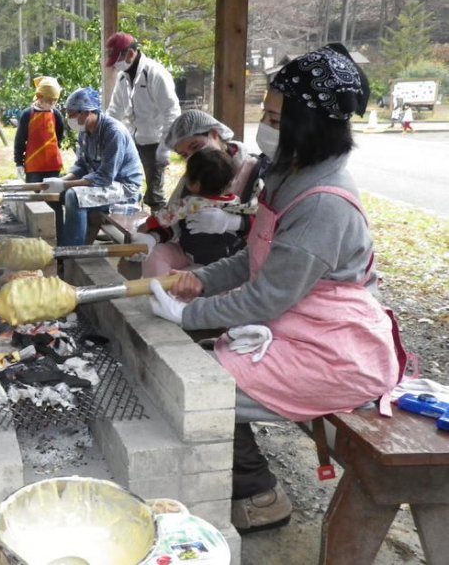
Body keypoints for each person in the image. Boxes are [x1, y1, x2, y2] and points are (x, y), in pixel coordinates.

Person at [148, 43, 408, 534]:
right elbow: (255, 257)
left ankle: (258, 494)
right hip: (295, 327)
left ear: (309, 123)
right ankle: (242, 483)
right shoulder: (289, 175)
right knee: (193, 366)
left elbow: (268, 295)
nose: (263, 126)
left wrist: (188, 317)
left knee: (201, 385)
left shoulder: (325, 203)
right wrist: (199, 282)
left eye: (273, 115)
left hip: (336, 351)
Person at [132, 110, 269, 278]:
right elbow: (173, 218)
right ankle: (161, 301)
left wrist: (234, 222)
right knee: (157, 257)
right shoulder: (193, 177)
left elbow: (268, 224)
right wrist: (154, 237)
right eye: (184, 155)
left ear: (215, 134)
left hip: (236, 264)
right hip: (192, 254)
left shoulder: (255, 171)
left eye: (195, 146)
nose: (192, 157)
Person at [42, 88, 143, 246]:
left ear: (87, 112)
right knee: (61, 194)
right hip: (104, 184)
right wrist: (60, 181)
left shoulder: (113, 132)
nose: (69, 119)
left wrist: (65, 185)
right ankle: (63, 244)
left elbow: (104, 177)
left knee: (73, 196)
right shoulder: (85, 132)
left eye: (72, 114)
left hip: (125, 188)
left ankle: (73, 253)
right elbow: (82, 165)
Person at [105, 32, 181, 213]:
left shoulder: (155, 73)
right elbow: (115, 110)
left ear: (131, 53)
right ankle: (132, 227)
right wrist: (105, 136)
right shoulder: (123, 77)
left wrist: (165, 148)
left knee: (155, 195)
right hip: (133, 139)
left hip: (155, 141)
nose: (117, 64)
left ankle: (158, 231)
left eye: (119, 58)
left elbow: (172, 112)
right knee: (127, 186)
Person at [141, 147, 252, 232]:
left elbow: (165, 216)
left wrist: (147, 225)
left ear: (196, 185)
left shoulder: (191, 203)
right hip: (226, 254)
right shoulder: (235, 201)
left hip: (195, 252)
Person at [13, 76, 65, 183]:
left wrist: (55, 147)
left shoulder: (56, 115)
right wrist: (19, 163)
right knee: (34, 194)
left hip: (53, 164)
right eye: (49, 101)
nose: (51, 104)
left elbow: (59, 134)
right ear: (39, 96)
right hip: (33, 164)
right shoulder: (27, 115)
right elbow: (20, 140)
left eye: (54, 101)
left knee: (53, 195)